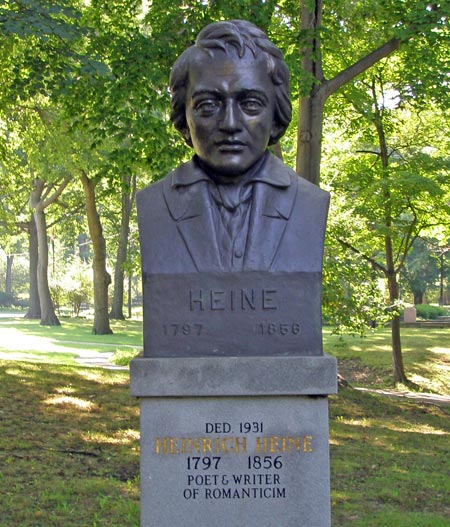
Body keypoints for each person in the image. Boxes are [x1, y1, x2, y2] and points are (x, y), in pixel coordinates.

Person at [137, 20, 329, 274]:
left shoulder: (308, 204)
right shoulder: (154, 205)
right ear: (184, 121)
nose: (229, 124)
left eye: (250, 104)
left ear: (275, 117)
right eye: (208, 105)